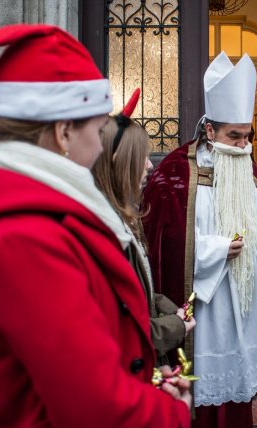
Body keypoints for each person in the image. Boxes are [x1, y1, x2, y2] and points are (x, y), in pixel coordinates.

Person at [0, 24, 191, 428]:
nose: (101, 150)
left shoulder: (31, 218)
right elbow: (96, 410)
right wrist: (171, 415)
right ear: (63, 131)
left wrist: (143, 384)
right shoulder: (21, 238)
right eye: (96, 131)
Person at [142, 51, 257, 428]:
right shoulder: (173, 173)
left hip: (239, 303)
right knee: (200, 394)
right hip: (198, 306)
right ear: (209, 131)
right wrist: (219, 249)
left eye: (247, 135)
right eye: (234, 136)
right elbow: (162, 242)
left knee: (236, 400)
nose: (243, 145)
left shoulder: (246, 168)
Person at [92, 88, 195, 360]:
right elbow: (120, 331)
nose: (150, 166)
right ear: (120, 163)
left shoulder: (123, 219)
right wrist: (175, 327)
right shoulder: (106, 232)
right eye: (142, 157)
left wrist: (158, 302)